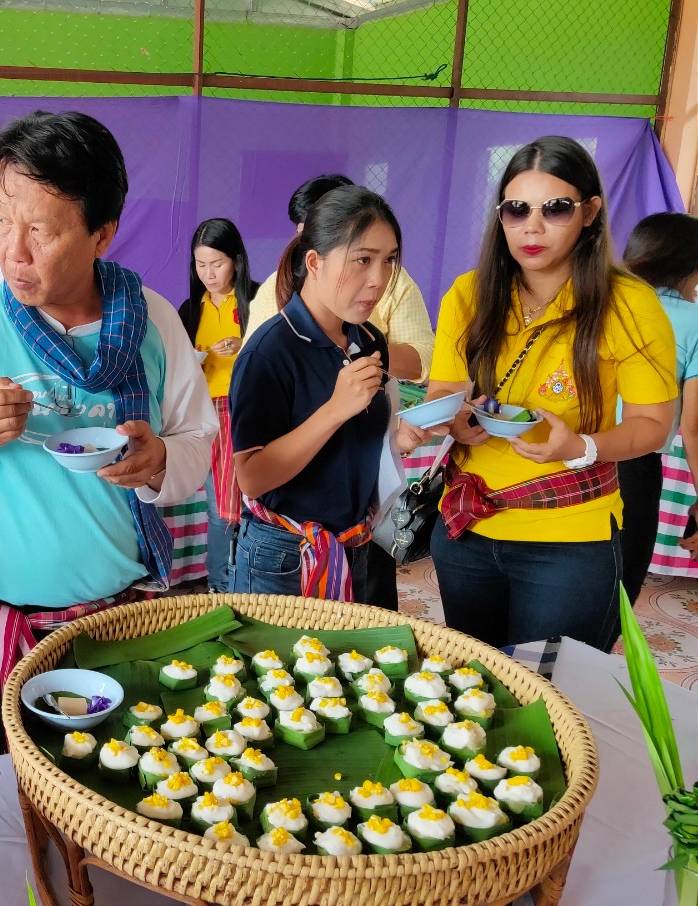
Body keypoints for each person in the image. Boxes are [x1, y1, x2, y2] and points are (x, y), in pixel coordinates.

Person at [0, 111, 216, 765]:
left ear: (102, 234)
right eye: (4, 219)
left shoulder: (153, 322)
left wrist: (157, 461)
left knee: (105, 800)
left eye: (41, 229)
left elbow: (198, 447)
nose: (14, 248)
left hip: (115, 622)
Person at [426, 136, 676, 651]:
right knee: (476, 688)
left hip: (569, 541)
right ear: (501, 218)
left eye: (555, 208)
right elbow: (447, 389)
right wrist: (457, 418)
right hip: (467, 530)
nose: (532, 227)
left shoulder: (628, 303)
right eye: (516, 210)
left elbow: (654, 425)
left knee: (551, 695)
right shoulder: (469, 294)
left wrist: (581, 448)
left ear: (589, 212)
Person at [229, 185, 427, 601]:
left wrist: (396, 437)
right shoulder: (269, 352)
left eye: (389, 260)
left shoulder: (368, 339)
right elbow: (251, 476)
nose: (379, 280)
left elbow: (352, 440)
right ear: (314, 262)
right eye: (362, 260)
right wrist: (334, 409)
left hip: (355, 544)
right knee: (281, 667)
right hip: (284, 556)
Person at [175, 219, 259, 593]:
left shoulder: (259, 302)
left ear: (237, 262)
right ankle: (221, 585)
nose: (208, 274)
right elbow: (174, 367)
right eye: (200, 264)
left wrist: (245, 347)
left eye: (217, 264)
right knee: (219, 508)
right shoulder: (191, 311)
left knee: (255, 505)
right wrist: (196, 357)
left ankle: (251, 580)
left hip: (252, 411)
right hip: (208, 415)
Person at [620, 213, 698, 585]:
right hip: (634, 465)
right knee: (620, 582)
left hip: (574, 454)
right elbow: (692, 426)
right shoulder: (693, 320)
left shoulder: (605, 304)